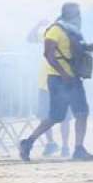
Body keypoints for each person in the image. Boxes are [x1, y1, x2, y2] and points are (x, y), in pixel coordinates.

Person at [19, 2, 93, 162]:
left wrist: (89, 48)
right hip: (58, 79)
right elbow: (48, 55)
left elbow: (74, 50)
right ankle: (28, 142)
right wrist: (63, 74)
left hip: (73, 77)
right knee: (56, 117)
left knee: (82, 112)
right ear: (69, 14)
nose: (79, 16)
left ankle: (79, 149)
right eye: (77, 13)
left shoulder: (73, 31)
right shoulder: (55, 30)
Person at [27, 19, 71, 157]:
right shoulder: (52, 34)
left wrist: (38, 25)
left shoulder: (60, 36)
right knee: (48, 115)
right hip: (49, 82)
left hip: (56, 81)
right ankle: (53, 144)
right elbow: (30, 38)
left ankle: (63, 145)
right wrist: (38, 25)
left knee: (60, 116)